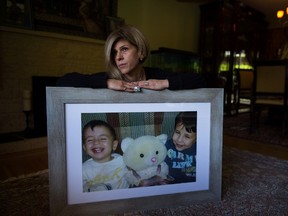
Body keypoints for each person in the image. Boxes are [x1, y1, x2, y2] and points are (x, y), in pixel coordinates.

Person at [57, 25, 207, 92]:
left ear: (141, 52)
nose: (118, 57)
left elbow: (200, 80)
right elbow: (63, 81)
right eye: (114, 53)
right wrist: (108, 83)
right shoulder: (109, 79)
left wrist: (164, 83)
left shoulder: (155, 75)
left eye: (124, 49)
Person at [82, 119, 129, 192]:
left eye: (103, 138)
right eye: (90, 140)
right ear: (85, 147)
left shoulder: (123, 160)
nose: (96, 142)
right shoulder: (83, 170)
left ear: (114, 145)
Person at [164, 112, 197, 184]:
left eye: (187, 136)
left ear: (197, 138)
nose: (179, 139)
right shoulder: (166, 147)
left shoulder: (200, 150)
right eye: (177, 132)